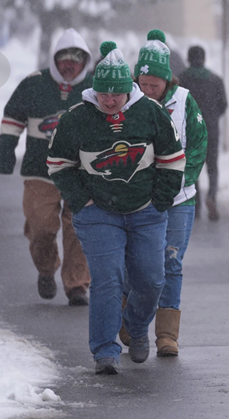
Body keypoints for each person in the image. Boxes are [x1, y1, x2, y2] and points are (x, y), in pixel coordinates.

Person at [47, 41, 185, 375]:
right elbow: (58, 163)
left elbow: (172, 158)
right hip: (98, 214)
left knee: (151, 280)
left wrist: (160, 200)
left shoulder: (150, 112)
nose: (109, 101)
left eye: (116, 95)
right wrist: (82, 201)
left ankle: (135, 327)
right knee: (108, 279)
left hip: (146, 212)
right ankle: (105, 350)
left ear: (129, 90)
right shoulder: (77, 118)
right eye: (103, 94)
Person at [128, 30, 206, 357]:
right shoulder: (127, 99)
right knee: (138, 263)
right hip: (138, 198)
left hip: (179, 198)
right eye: (143, 83)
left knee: (170, 262)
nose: (148, 90)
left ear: (167, 80)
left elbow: (198, 145)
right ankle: (131, 319)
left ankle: (167, 335)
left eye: (154, 85)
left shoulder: (185, 101)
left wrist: (178, 180)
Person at [0, 28, 92, 306]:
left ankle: (77, 284)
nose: (69, 65)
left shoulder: (95, 88)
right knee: (40, 226)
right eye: (64, 59)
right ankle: (46, 268)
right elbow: (12, 118)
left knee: (80, 228)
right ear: (55, 60)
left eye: (76, 60)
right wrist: (5, 152)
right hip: (40, 170)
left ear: (85, 62)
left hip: (81, 173)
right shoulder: (34, 84)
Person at [179, 44, 227, 221]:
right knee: (212, 166)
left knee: (193, 166)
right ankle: (212, 196)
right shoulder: (215, 80)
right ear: (204, 59)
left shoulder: (181, 80)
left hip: (191, 130)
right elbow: (223, 105)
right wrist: (212, 117)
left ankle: (196, 203)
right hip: (211, 129)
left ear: (188, 59)